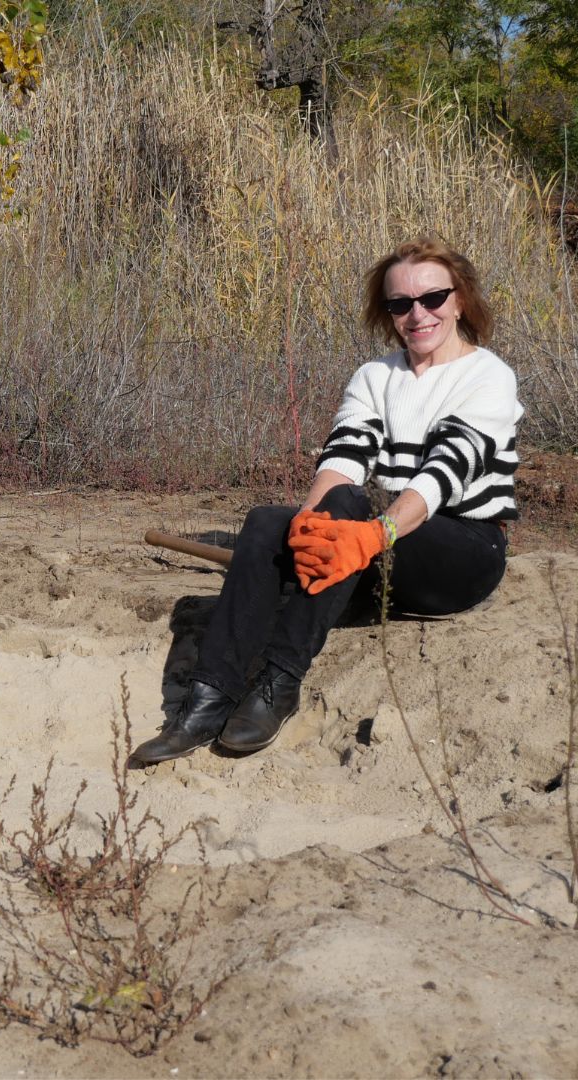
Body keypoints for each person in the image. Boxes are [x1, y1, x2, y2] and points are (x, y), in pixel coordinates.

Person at [132, 237, 521, 765]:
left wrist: (374, 533)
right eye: (400, 304)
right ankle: (207, 699)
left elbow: (443, 474)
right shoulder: (374, 376)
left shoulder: (489, 376)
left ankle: (278, 682)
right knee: (272, 520)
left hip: (461, 551)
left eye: (432, 298)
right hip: (386, 546)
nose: (418, 314)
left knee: (351, 514)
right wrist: (309, 526)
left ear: (460, 300)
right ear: (387, 313)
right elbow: (343, 459)